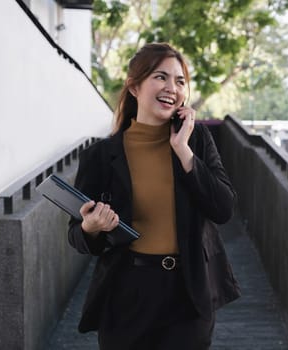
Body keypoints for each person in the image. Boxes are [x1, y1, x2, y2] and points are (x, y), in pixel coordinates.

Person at [67, 42, 240, 349]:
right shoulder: (101, 155)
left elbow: (223, 209)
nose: (172, 88)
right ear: (134, 87)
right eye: (161, 77)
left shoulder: (196, 141)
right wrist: (90, 227)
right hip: (126, 293)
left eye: (180, 80)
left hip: (188, 293)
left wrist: (183, 151)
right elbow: (77, 236)